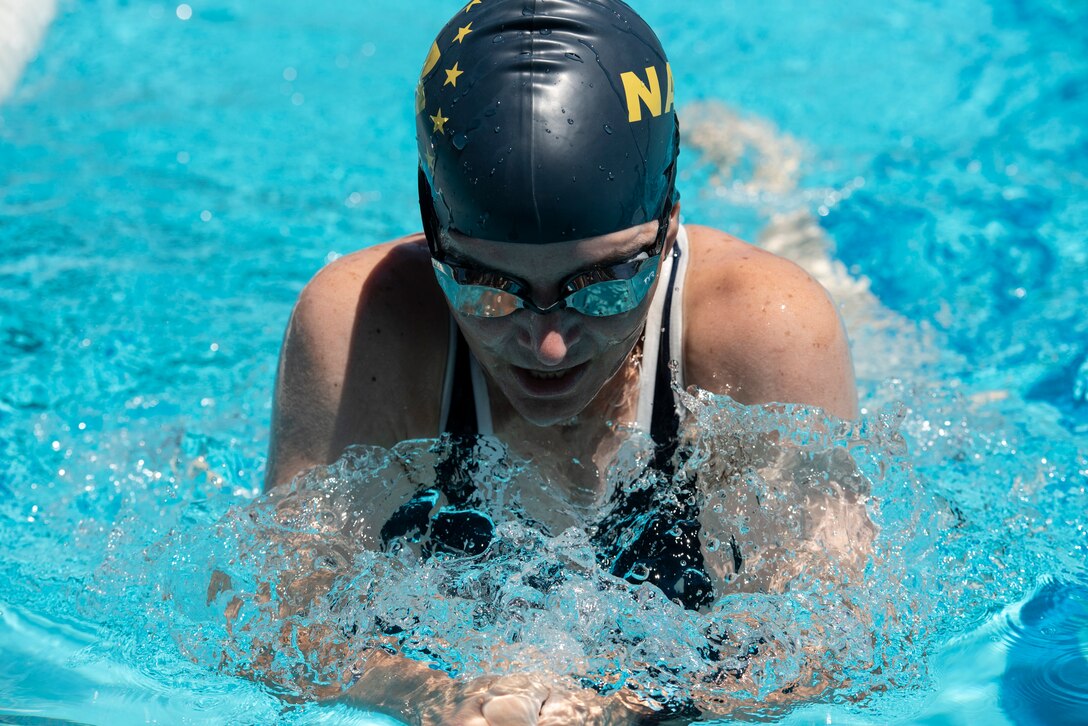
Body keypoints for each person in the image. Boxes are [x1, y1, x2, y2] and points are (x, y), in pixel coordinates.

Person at [258, 0, 860, 721]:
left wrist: (629, 713)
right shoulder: (364, 326)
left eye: (603, 284)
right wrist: (436, 698)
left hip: (754, 304)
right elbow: (276, 623)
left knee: (845, 302)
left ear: (669, 222)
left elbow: (832, 644)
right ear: (433, 238)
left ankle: (770, 177)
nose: (547, 344)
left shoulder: (767, 328)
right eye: (488, 287)